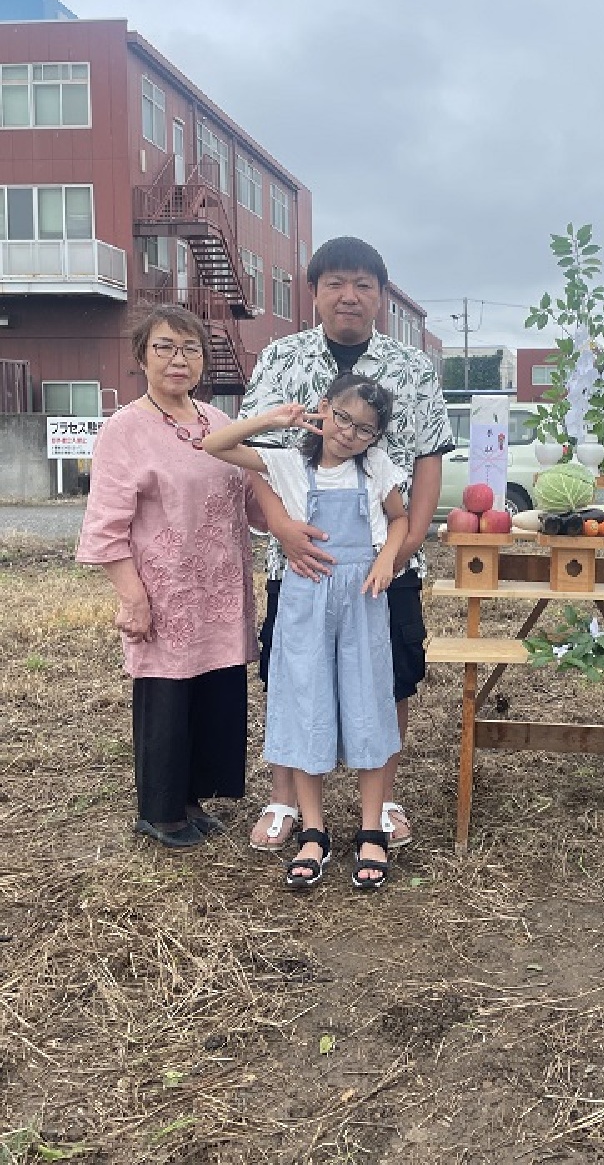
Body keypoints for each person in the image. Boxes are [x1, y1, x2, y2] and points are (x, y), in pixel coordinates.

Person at [238, 237, 453, 852]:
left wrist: (406, 543)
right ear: (314, 292)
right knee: (293, 674)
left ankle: (380, 806)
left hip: (384, 557)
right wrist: (278, 525)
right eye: (335, 283)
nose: (349, 296)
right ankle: (285, 801)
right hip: (299, 559)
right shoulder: (281, 358)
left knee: (391, 674)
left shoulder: (410, 368)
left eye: (363, 285)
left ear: (381, 296)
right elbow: (257, 460)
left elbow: (429, 458)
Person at [203, 374, 408, 889]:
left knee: (367, 707)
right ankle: (312, 832)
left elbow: (399, 519)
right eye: (342, 417)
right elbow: (214, 444)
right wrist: (275, 419)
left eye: (365, 429)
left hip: (363, 599)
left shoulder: (376, 468)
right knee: (306, 704)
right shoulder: (288, 462)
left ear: (375, 437)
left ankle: (370, 831)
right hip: (306, 597)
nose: (349, 433)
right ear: (323, 410)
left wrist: (387, 557)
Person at [76, 305, 259, 849]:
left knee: (211, 691)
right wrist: (132, 598)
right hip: (164, 591)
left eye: (190, 349)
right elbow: (107, 525)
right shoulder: (124, 430)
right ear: (142, 356)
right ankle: (159, 810)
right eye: (165, 347)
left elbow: (253, 499)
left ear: (203, 361)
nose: (179, 359)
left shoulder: (220, 424)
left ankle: (192, 798)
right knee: (166, 699)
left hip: (221, 587)